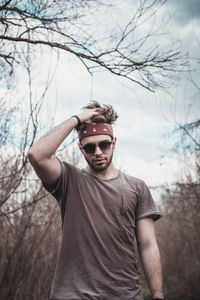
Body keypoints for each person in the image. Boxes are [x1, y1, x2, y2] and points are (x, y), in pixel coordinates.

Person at [28, 101, 165, 300]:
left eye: (104, 144)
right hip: (72, 294)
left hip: (125, 294)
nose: (98, 152)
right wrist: (77, 119)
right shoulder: (69, 179)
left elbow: (148, 244)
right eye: (90, 147)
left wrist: (158, 295)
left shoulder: (137, 187)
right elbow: (36, 155)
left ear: (114, 143)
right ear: (81, 148)